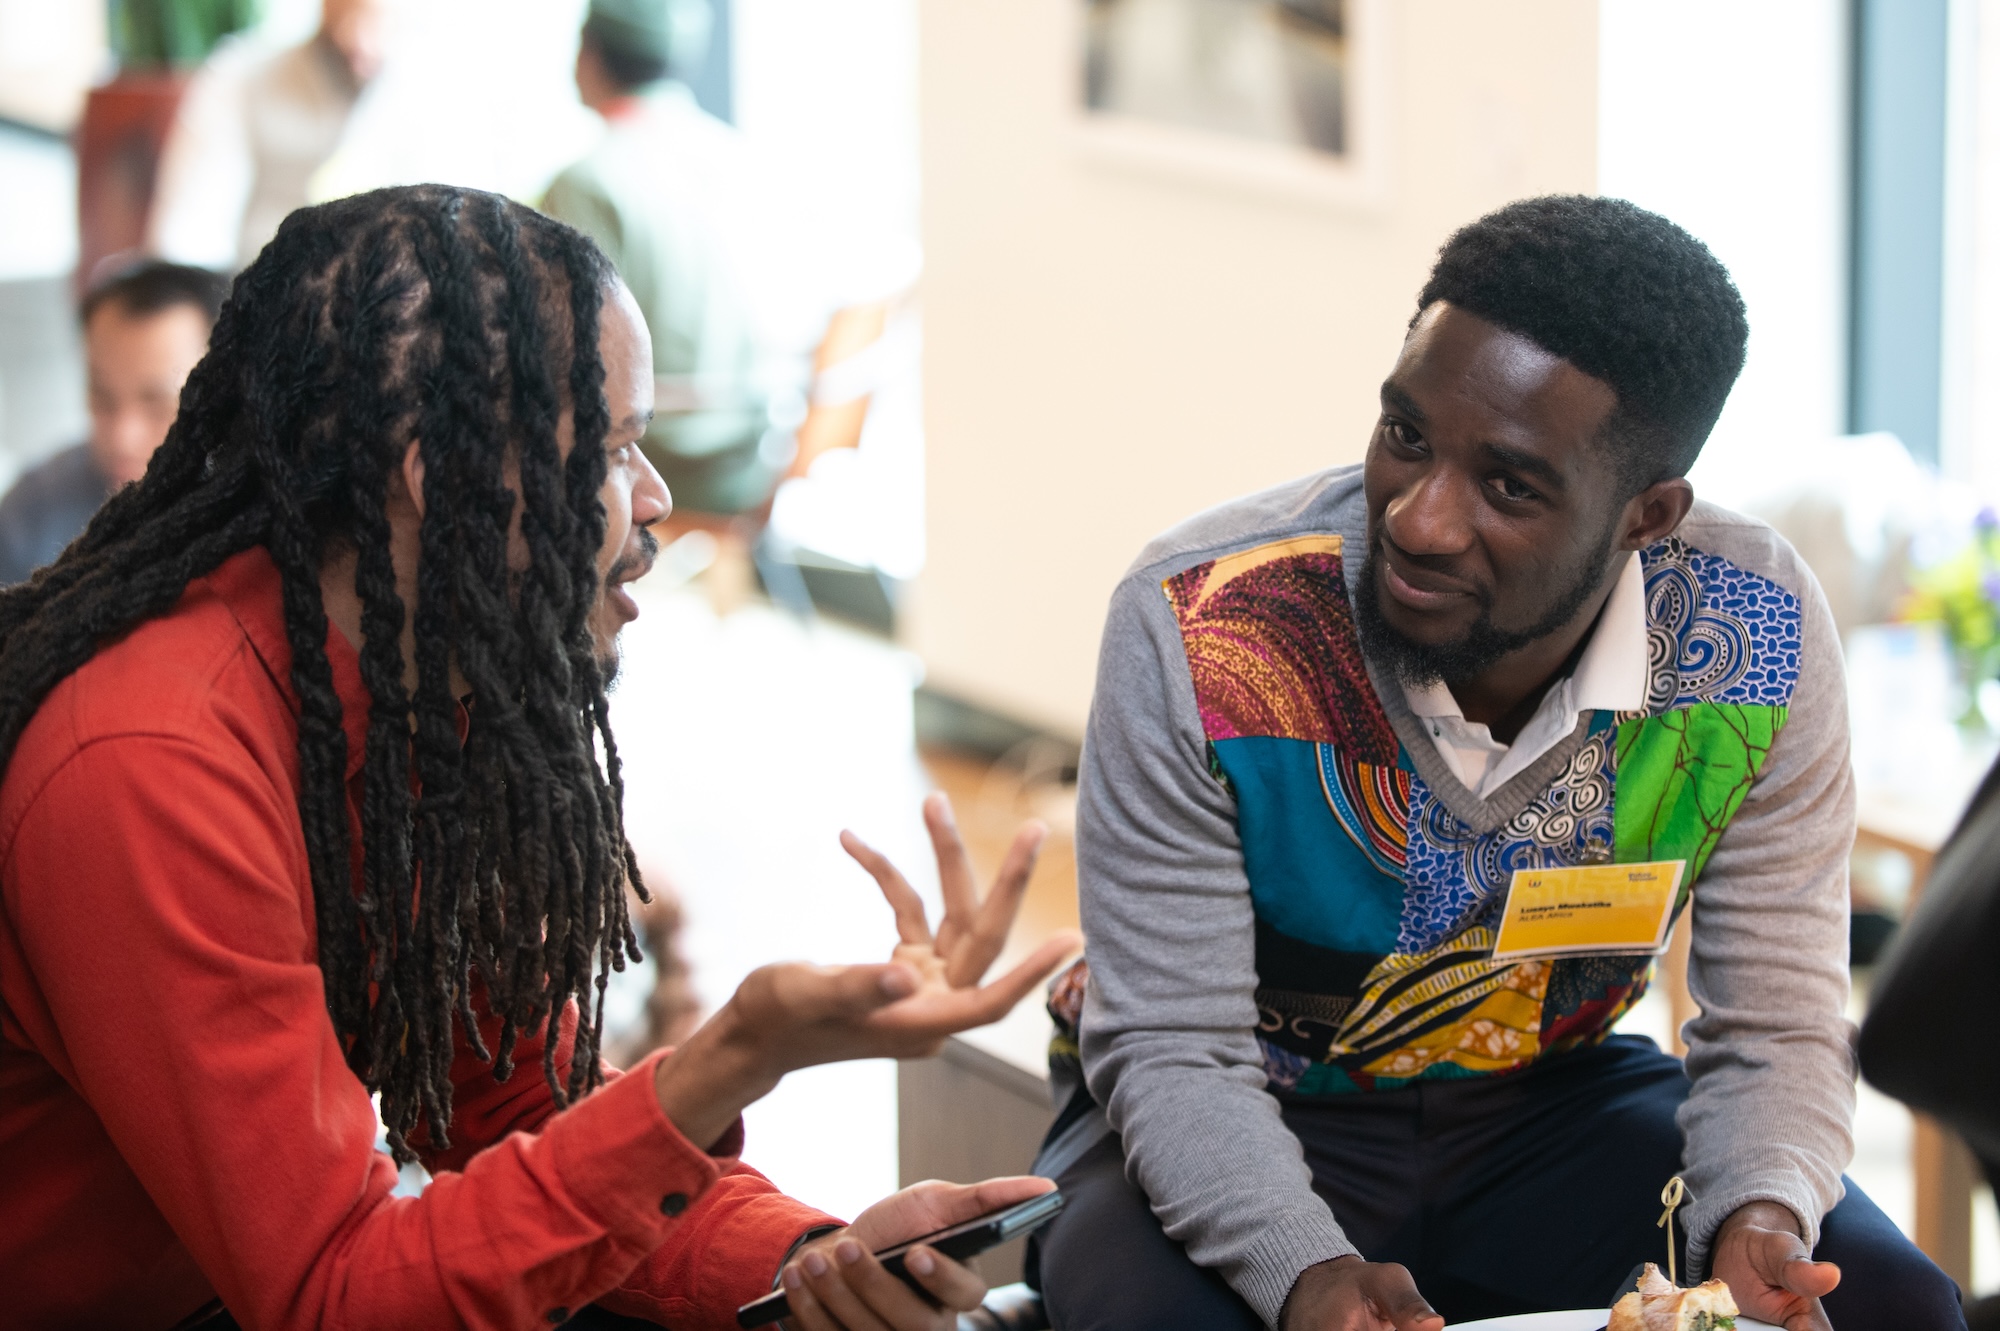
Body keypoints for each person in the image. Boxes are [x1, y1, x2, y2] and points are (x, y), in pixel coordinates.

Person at [0, 184, 1075, 1331]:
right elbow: (332, 1294)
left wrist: (810, 1254)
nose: (655, 497)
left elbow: (521, 1114)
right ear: (435, 473)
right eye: (614, 447)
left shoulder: (428, 672)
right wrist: (733, 1053)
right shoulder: (147, 761)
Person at [1028, 195, 1963, 1331]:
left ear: (1644, 514)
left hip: (1543, 1107)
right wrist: (1302, 1267)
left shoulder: (1748, 633)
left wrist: (1758, 1209)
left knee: (1893, 1308)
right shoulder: (1205, 622)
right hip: (1227, 1100)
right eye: (1404, 436)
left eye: (1508, 484)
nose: (1419, 519)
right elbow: (1171, 1043)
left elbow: (1774, 1023)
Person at [542, 0, 833, 521]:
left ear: (587, 52)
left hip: (662, 460)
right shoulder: (739, 158)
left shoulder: (588, 182)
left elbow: (574, 355)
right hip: (751, 451)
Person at [0, 259, 226, 584]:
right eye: (103, 399)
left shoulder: (271, 514)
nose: (123, 437)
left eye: (157, 405)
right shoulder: (30, 514)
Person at [148, 0, 392, 271]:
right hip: (261, 293)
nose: (363, 41)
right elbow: (191, 234)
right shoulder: (240, 77)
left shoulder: (422, 86)